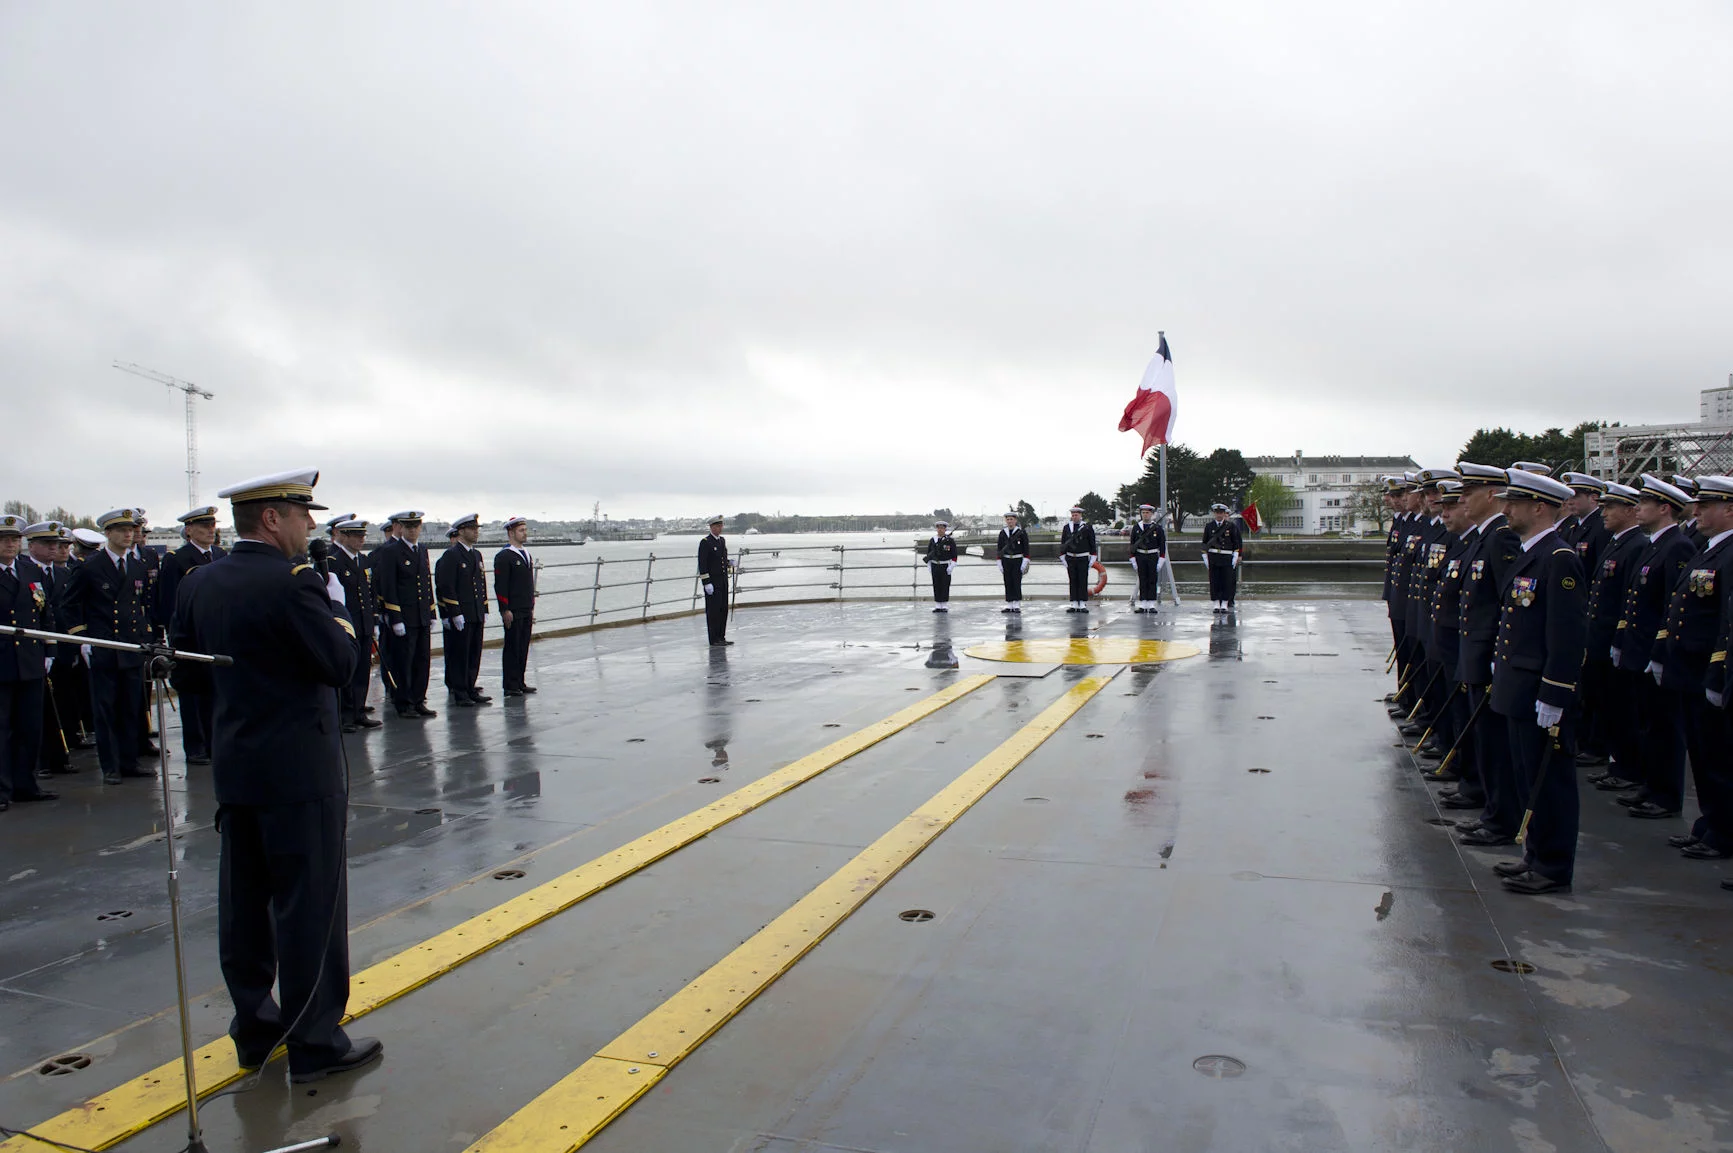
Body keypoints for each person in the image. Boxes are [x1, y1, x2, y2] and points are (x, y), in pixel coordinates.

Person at [171, 467, 382, 1084]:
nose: (309, 524)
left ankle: (256, 1032)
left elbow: (187, 677)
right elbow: (340, 666)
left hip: (238, 767)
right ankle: (314, 1042)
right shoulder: (296, 584)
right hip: (300, 771)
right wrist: (340, 616)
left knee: (245, 905)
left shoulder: (198, 584)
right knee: (308, 904)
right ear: (271, 518)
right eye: (301, 513)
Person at [1486, 469, 1586, 895]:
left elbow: (1566, 636)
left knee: (1550, 780)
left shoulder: (1559, 559)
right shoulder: (1532, 554)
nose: (1505, 509)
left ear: (1539, 507)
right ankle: (1535, 855)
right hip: (1519, 687)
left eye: (1514, 503)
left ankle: (1553, 865)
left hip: (1539, 690)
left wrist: (1555, 694)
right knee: (1529, 776)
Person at [1651, 475, 1733, 859]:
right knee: (1702, 755)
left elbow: (1725, 622)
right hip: (1688, 667)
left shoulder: (1729, 553)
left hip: (1707, 668)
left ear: (1729, 509)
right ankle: (1709, 824)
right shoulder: (1708, 550)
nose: (1695, 511)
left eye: (1706, 505)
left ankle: (1723, 832)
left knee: (1717, 757)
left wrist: (1719, 671)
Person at [1607, 476, 1696, 816]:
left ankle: (1665, 795)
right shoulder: (1653, 545)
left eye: (1644, 504)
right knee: (1647, 722)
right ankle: (1651, 784)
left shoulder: (1677, 546)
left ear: (1664, 509)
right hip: (1638, 648)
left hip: (1654, 651)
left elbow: (1673, 606)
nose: (1637, 508)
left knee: (1664, 726)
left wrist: (1660, 650)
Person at [1446, 463, 1524, 846]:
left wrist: (1497, 655)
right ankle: (1493, 811)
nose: (1461, 500)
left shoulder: (1501, 539)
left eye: (1469, 493)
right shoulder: (1483, 537)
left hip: (1490, 656)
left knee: (1496, 744)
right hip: (1475, 653)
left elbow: (1508, 602)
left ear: (1491, 494)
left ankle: (1501, 819)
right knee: (1486, 740)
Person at [60, 508, 154, 784]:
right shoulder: (90, 566)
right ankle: (110, 765)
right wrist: (84, 639)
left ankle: (129, 761)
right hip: (103, 646)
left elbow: (139, 606)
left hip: (130, 648)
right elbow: (69, 605)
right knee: (105, 710)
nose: (129, 534)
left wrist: (144, 639)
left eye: (131, 530)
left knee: (129, 708)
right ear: (108, 533)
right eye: (122, 530)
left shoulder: (136, 565)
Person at [1580, 484, 1645, 787]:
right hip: (1600, 637)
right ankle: (1616, 762)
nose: (1604, 512)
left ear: (1630, 511)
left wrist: (1620, 638)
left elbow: (1627, 600)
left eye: (1611, 507)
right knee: (1608, 704)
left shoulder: (1635, 545)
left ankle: (1626, 766)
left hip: (1614, 638)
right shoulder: (1618, 543)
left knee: (1622, 708)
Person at [159, 505, 227, 764]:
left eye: (213, 526)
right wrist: (172, 635)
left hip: (216, 633)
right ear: (189, 531)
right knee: (191, 693)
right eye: (204, 526)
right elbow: (168, 602)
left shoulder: (220, 555)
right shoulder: (176, 559)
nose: (211, 530)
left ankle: (213, 741)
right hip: (189, 636)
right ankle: (196, 747)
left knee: (215, 692)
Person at [0, 514, 59, 809]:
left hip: (30, 661)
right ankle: (1, 789)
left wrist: (49, 652)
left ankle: (25, 783)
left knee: (29, 727)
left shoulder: (28, 571)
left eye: (14, 539)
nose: (10, 544)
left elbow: (44, 614)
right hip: (1, 664)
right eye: (4, 540)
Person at [372, 511, 437, 718]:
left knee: (422, 659)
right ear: (401, 528)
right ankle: (404, 702)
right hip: (404, 616)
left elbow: (426, 583)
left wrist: (432, 611)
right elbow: (389, 585)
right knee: (404, 661)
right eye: (408, 527)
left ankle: (418, 699)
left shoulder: (422, 550)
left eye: (416, 527)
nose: (412, 530)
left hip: (421, 616)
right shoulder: (392, 552)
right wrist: (395, 617)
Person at [328, 516, 382, 730]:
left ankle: (358, 710)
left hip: (364, 623)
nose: (360, 540)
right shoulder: (333, 562)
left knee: (362, 669)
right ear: (343, 536)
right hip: (346, 625)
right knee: (346, 671)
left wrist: (375, 619)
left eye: (362, 535)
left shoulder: (364, 561)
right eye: (356, 535)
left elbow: (371, 593)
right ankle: (343, 716)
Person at [436, 513, 490, 706]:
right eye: (472, 529)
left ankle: (470, 686)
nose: (476, 532)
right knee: (461, 653)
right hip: (462, 613)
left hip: (475, 611)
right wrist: (454, 612)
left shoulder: (476, 554)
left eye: (477, 529)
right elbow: (446, 586)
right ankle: (460, 690)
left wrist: (484, 607)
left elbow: (480, 584)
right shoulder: (451, 555)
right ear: (461, 531)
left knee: (474, 652)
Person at [494, 517, 538, 694]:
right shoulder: (504, 556)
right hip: (513, 608)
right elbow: (501, 585)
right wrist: (504, 609)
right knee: (513, 646)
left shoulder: (526, 554)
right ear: (511, 533)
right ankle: (510, 684)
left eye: (525, 529)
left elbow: (528, 584)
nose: (525, 533)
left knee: (523, 645)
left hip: (525, 606)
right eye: (521, 530)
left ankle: (520, 680)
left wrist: (532, 605)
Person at [1201, 503, 1242, 613]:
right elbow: (1204, 543)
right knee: (1215, 581)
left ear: (1224, 514)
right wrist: (1205, 557)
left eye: (1221, 513)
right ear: (1214, 514)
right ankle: (1216, 603)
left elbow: (1236, 543)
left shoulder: (1231, 526)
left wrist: (1236, 556)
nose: (1219, 515)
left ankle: (1224, 603)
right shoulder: (1209, 527)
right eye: (1217, 513)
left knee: (1226, 581)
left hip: (1226, 557)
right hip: (1214, 557)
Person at [698, 516, 731, 645]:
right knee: (713, 611)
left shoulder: (722, 541)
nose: (720, 528)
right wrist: (706, 583)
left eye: (721, 526)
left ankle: (721, 637)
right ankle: (713, 639)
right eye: (717, 526)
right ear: (711, 527)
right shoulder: (706, 542)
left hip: (722, 581)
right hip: (712, 583)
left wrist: (729, 563)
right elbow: (703, 564)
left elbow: (722, 560)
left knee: (723, 609)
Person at [1130, 503, 1166, 612]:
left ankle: (1151, 604)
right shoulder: (1136, 528)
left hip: (1152, 556)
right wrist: (1133, 560)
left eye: (1147, 513)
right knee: (1143, 579)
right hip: (1140, 556)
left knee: (1152, 579)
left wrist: (1161, 561)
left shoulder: (1157, 528)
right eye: (1143, 513)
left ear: (1152, 514)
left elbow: (1162, 546)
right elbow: (1132, 545)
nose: (1145, 515)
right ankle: (1143, 603)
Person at [1060, 506, 1096, 613]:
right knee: (1073, 580)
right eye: (1073, 515)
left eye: (1076, 515)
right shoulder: (1067, 527)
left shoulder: (1087, 527)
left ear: (1080, 515)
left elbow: (1092, 543)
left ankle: (1082, 603)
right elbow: (1063, 543)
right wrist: (1063, 557)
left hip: (1083, 557)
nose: (1074, 517)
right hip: (1070, 557)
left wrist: (1093, 556)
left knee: (1082, 580)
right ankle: (1074, 603)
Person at [995, 511, 1029, 613]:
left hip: (1017, 559)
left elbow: (1026, 549)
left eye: (1011, 519)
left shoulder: (1021, 533)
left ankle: (1017, 604)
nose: (1010, 521)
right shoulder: (1002, 533)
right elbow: (999, 548)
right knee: (1008, 581)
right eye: (1008, 519)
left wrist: (1025, 562)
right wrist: (999, 561)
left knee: (1016, 581)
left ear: (1015, 520)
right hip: (1006, 560)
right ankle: (1009, 604)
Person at [923, 520, 958, 612]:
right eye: (938, 528)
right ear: (936, 529)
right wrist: (929, 565)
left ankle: (944, 604)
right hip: (935, 565)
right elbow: (929, 554)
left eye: (942, 528)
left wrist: (952, 566)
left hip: (945, 565)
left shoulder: (949, 540)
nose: (940, 530)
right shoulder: (933, 540)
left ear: (945, 529)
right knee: (936, 584)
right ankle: (938, 605)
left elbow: (954, 554)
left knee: (945, 585)